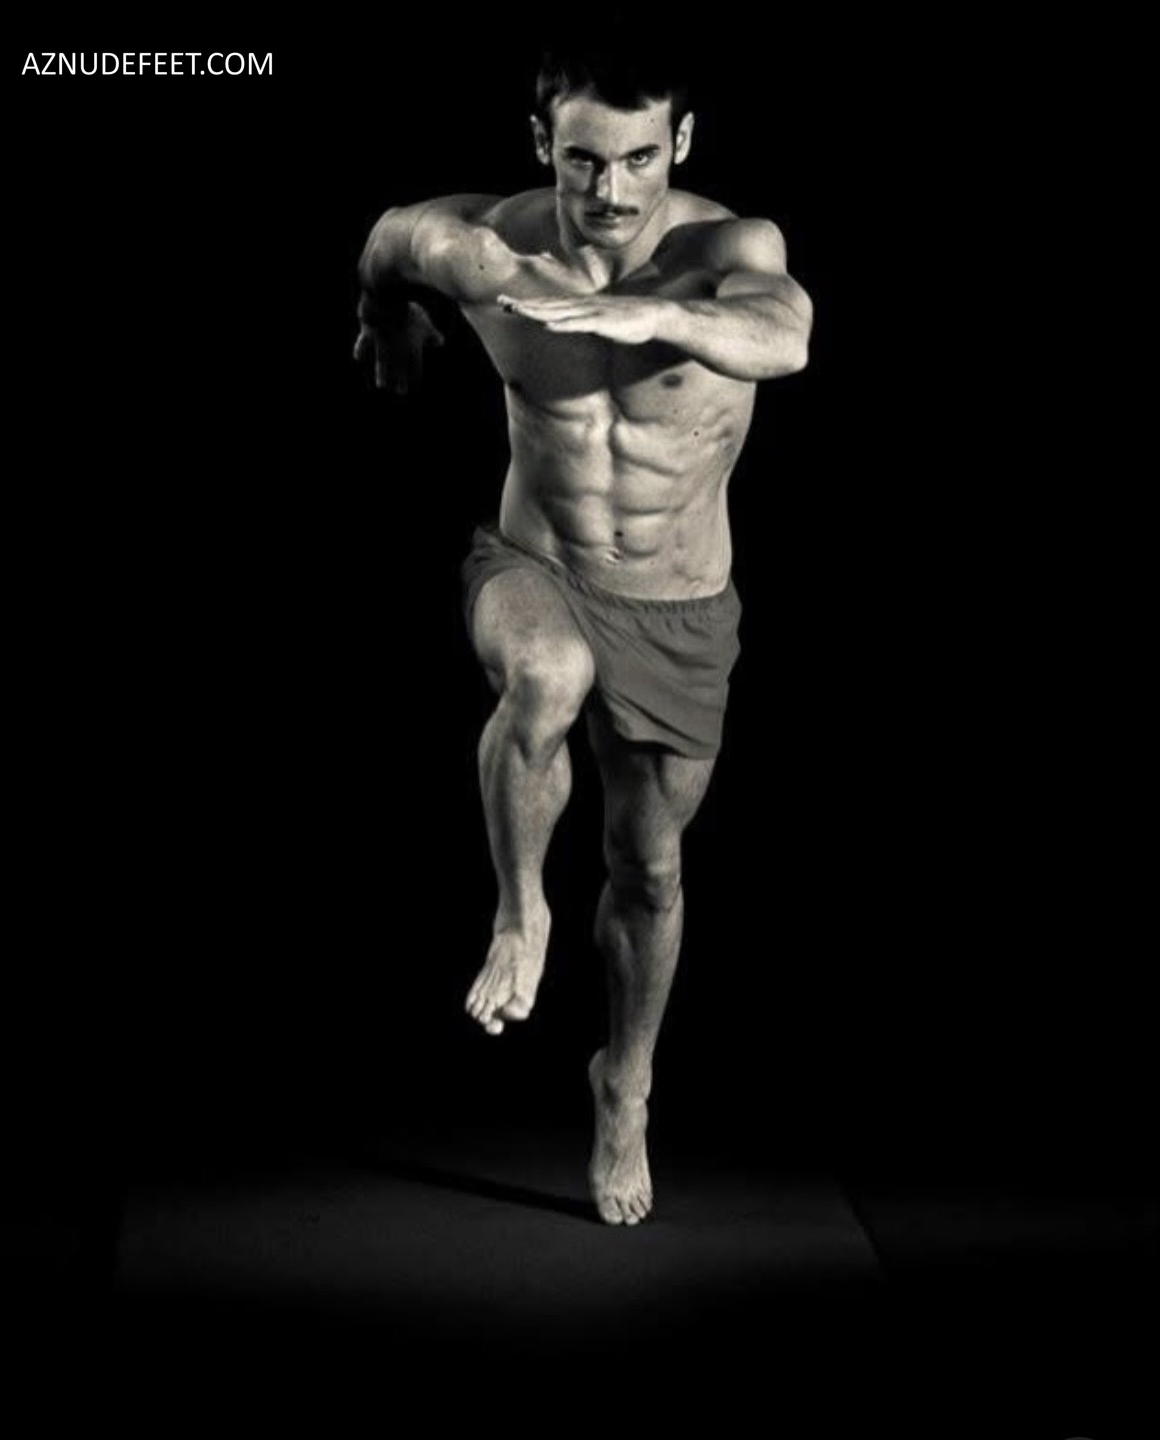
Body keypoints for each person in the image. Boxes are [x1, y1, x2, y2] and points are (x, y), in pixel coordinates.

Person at [353, 37, 813, 1226]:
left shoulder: (729, 253)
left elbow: (785, 337)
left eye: (640, 159)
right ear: (541, 143)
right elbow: (392, 239)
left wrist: (645, 315)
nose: (610, 191)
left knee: (649, 871)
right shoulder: (491, 250)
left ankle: (626, 1085)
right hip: (536, 564)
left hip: (678, 604)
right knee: (545, 673)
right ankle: (521, 913)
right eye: (582, 161)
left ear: (683, 142)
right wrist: (385, 318)